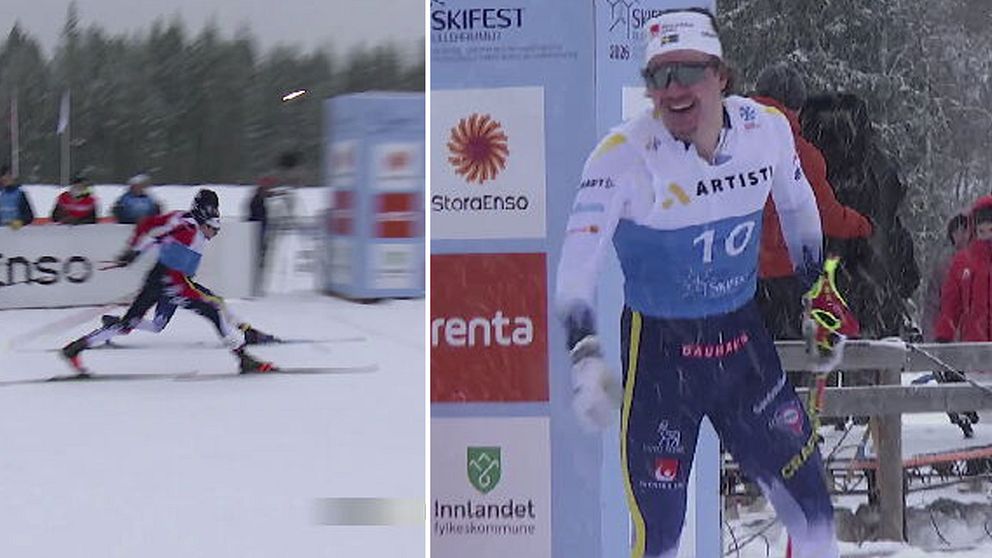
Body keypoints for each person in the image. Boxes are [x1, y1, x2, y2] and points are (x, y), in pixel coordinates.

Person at [555, 9, 839, 558]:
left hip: (743, 354)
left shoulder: (765, 131)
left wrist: (820, 293)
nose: (674, 89)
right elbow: (576, 267)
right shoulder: (621, 157)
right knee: (660, 537)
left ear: (721, 75)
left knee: (814, 515)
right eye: (659, 76)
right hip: (661, 363)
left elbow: (799, 207)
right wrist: (584, 353)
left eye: (688, 71)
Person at [61, 189, 279, 375]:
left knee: (137, 325)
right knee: (213, 309)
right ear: (203, 215)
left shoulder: (180, 219)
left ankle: (75, 348)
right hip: (174, 281)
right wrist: (135, 251)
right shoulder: (188, 230)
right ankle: (243, 358)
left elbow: (148, 226)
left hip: (160, 277)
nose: (212, 234)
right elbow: (163, 252)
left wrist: (134, 249)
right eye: (211, 228)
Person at [752, 64, 874, 342]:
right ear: (794, 106)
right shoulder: (800, 153)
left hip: (735, 277)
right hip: (784, 277)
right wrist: (863, 226)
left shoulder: (725, 140)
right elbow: (826, 215)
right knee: (794, 354)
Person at [933, 197, 992, 437]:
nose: (987, 236)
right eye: (982, 231)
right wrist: (944, 338)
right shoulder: (963, 261)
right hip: (973, 350)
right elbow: (950, 305)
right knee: (981, 424)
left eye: (991, 231)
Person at [246, 175, 277, 296]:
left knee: (259, 261)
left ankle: (255, 287)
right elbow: (256, 217)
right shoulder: (257, 199)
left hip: (259, 233)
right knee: (257, 261)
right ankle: (254, 287)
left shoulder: (258, 197)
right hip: (257, 234)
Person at [0, 163, 35, 229]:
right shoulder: (1, 194)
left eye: (8, 176)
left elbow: (29, 216)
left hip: (16, 231)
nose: (6, 178)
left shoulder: (20, 194)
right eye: (3, 176)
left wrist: (20, 222)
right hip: (2, 232)